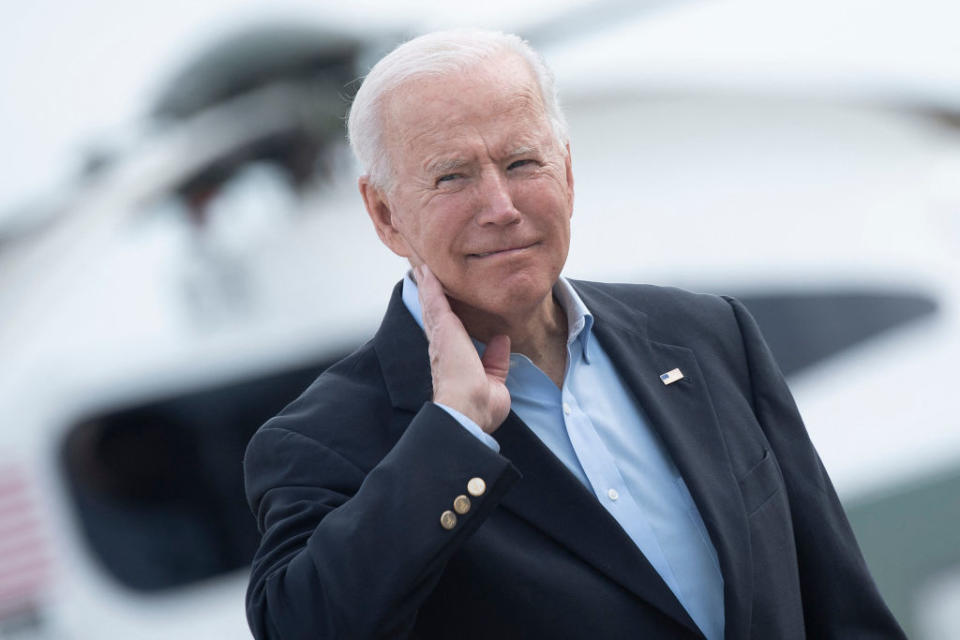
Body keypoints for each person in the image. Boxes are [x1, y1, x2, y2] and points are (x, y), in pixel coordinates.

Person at [243, 29, 904, 640]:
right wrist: (451, 434)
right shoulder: (317, 442)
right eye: (452, 175)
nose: (501, 208)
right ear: (384, 214)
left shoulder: (710, 337)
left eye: (522, 162)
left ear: (567, 171)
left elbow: (844, 612)